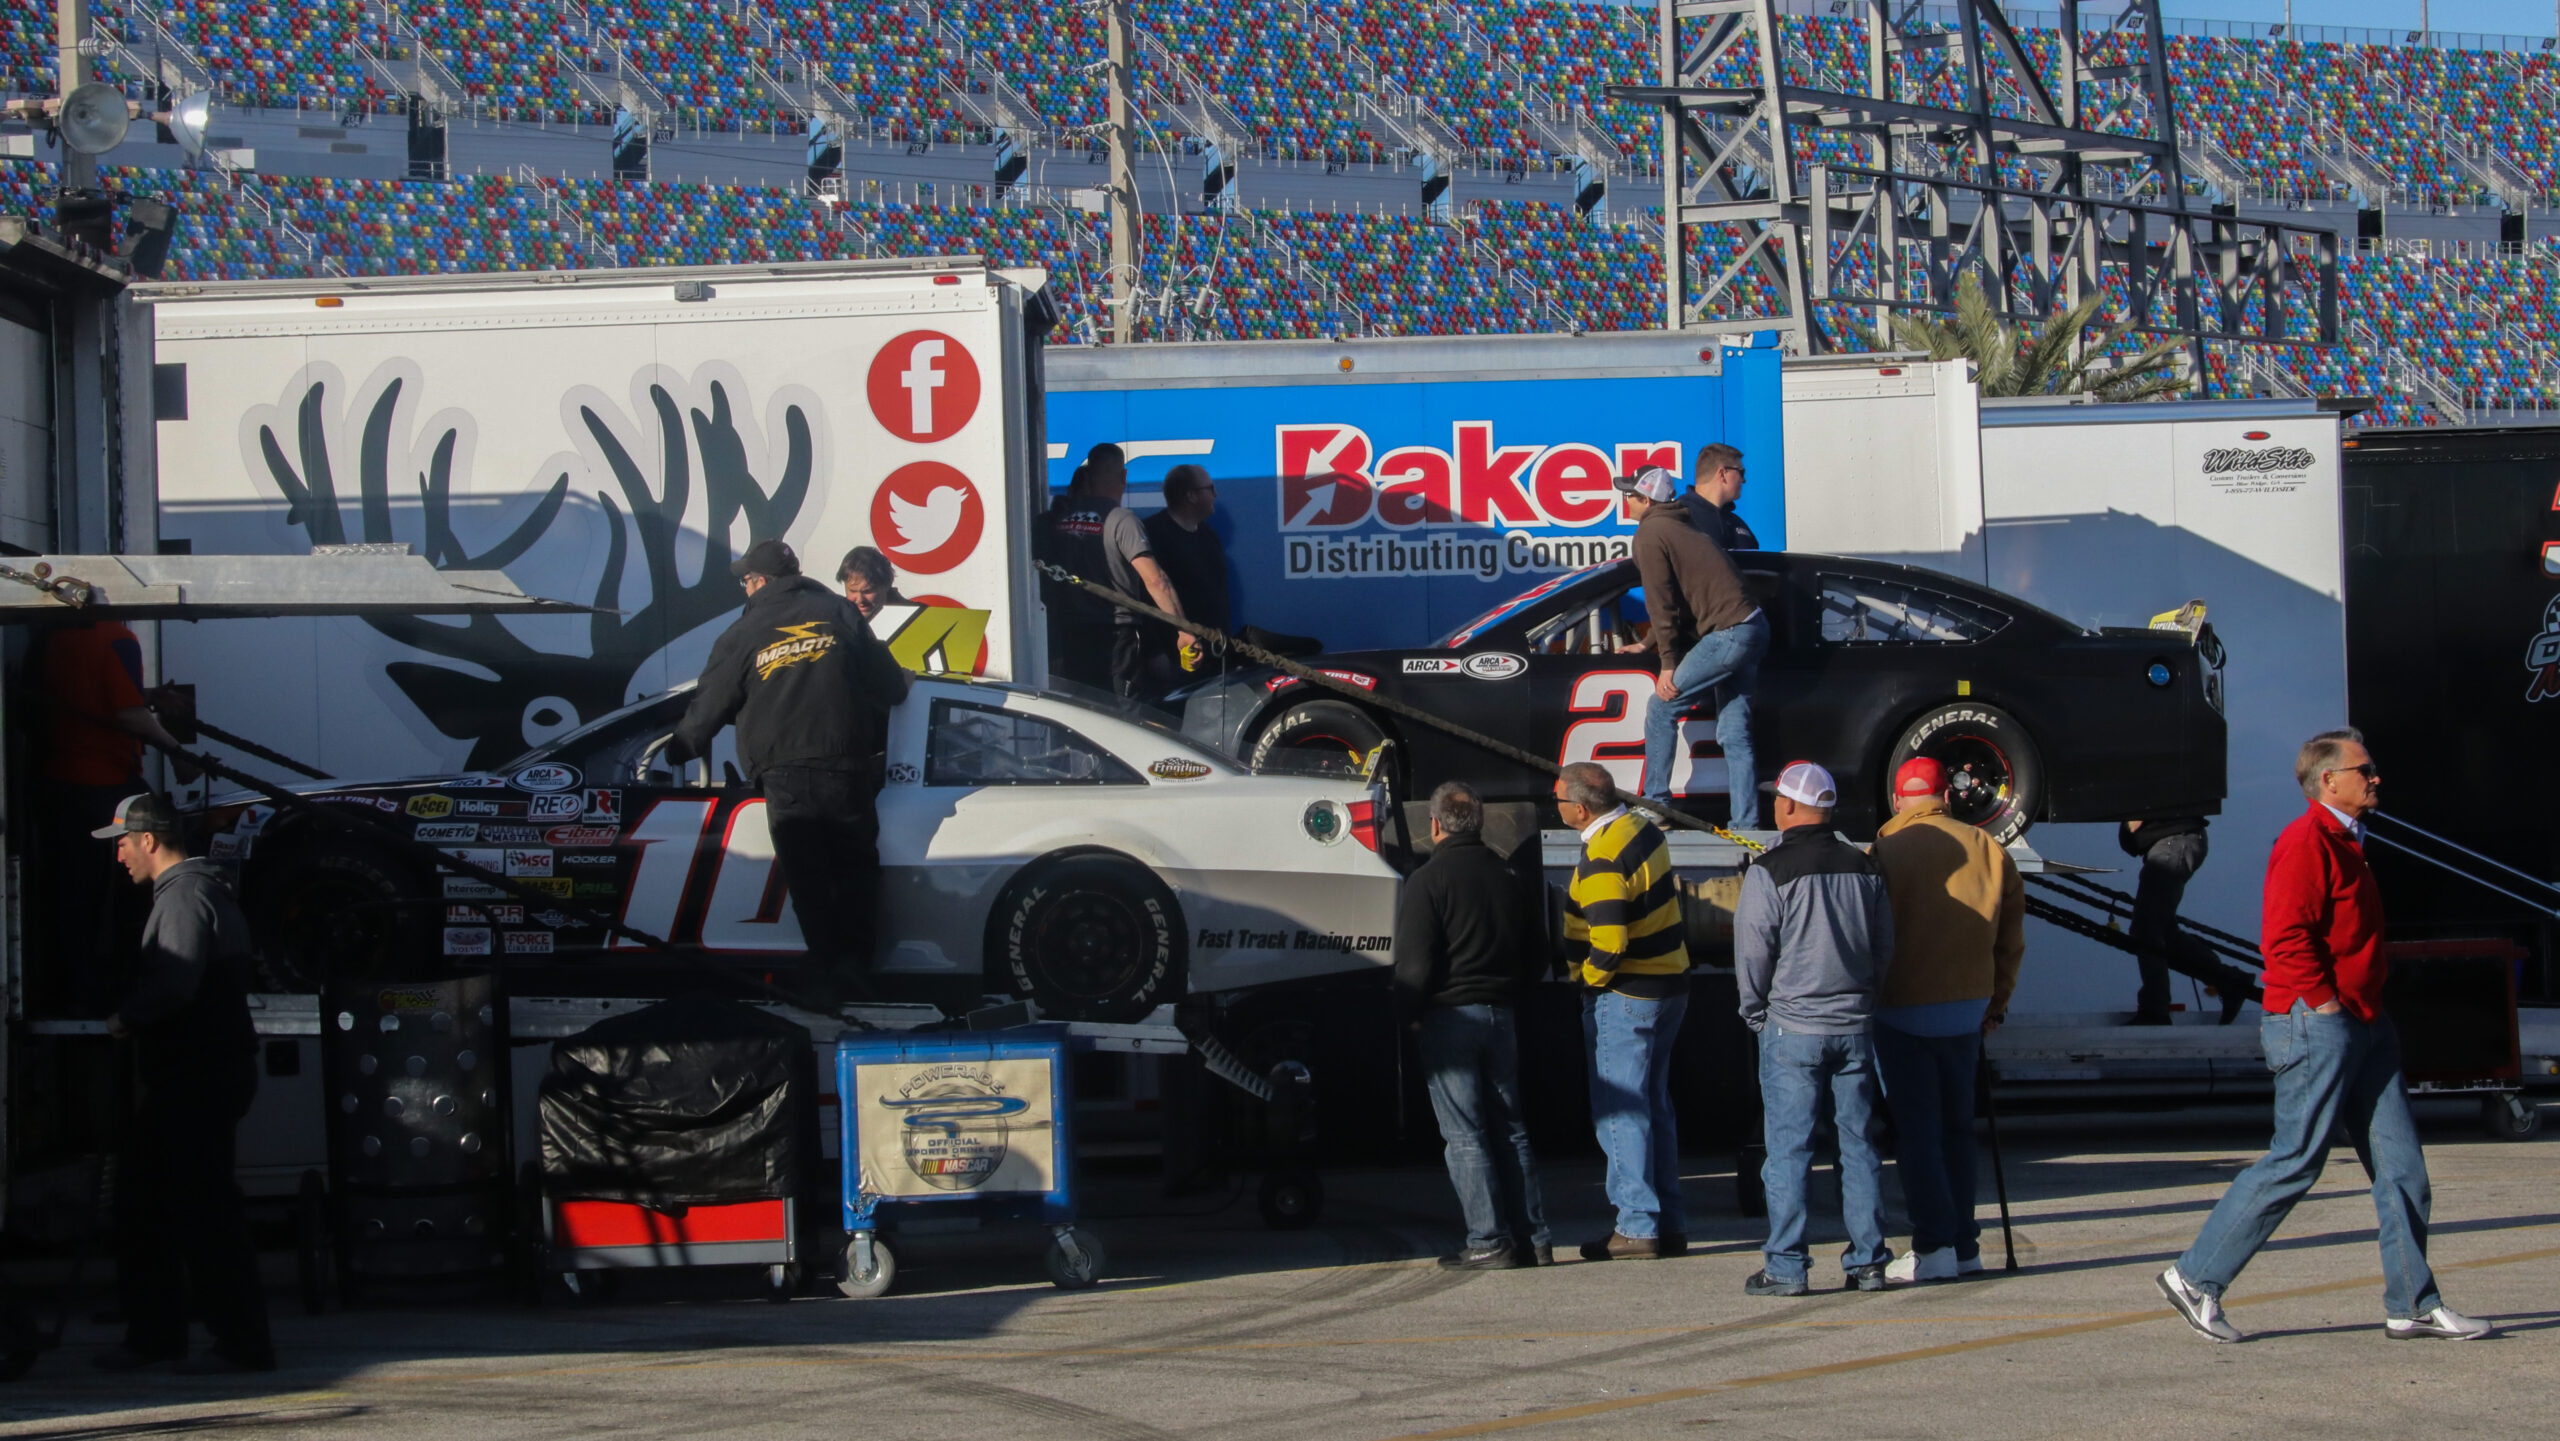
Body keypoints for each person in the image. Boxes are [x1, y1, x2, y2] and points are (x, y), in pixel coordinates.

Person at [2158, 729, 2491, 1344]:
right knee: (2296, 1159)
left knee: (2402, 1170)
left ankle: (2413, 1304)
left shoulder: (2347, 840)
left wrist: (2357, 1009)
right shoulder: (2306, 841)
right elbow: (2285, 938)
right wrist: (2326, 1004)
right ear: (2328, 780)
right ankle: (2195, 1277)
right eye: (2365, 769)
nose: (2376, 777)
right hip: (2319, 1023)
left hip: (2365, 1023)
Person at [670, 539, 910, 998]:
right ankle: (856, 971)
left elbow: (709, 705)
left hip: (785, 772)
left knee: (809, 877)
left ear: (760, 582)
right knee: (855, 871)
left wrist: (680, 748)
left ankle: (827, 973)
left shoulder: (744, 631)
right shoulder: (839, 612)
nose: (745, 588)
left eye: (746, 581)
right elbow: (890, 687)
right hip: (845, 766)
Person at [90, 792, 273, 1374]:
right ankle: (164, 1334)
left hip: (196, 1076)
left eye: (123, 842)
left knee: (191, 1208)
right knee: (163, 1203)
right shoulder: (201, 890)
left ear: (148, 840)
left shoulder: (183, 897)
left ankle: (230, 1341)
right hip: (205, 1073)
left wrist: (126, 1018)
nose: (119, 854)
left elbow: (175, 982)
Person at [1734, 761, 1895, 1297]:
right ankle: (1868, 1262)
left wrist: (1755, 1012)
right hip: (1855, 1024)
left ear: (1788, 806)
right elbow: (1883, 946)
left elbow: (1753, 952)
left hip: (1793, 1026)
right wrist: (1866, 1001)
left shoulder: (1769, 870)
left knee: (1789, 1149)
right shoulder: (1864, 866)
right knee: (1859, 1146)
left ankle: (1786, 1266)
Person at [1869, 757, 2024, 1284]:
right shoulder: (1989, 848)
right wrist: (1995, 1005)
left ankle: (1933, 1246)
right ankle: (1965, 1246)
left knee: (1918, 1133)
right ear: (1947, 797)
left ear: (1898, 800)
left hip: (1900, 1008)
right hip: (1967, 1008)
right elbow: (2010, 941)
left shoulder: (1883, 851)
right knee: (1959, 1129)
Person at [1393, 780, 1551, 1271]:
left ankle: (1487, 1240)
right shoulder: (1510, 875)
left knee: (1465, 1135)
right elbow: (1540, 952)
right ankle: (1534, 1240)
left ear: (1435, 824)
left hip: (1449, 1018)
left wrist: (1407, 1016)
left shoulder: (1427, 880)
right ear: (1478, 823)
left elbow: (1414, 965)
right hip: (1501, 1014)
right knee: (1512, 1131)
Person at [1554, 761, 1691, 1260]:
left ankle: (1636, 1225)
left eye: (1559, 800)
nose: (1555, 807)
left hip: (1626, 996)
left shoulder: (1602, 857)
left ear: (1580, 808)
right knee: (1654, 1106)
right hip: (1669, 984)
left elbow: (1609, 942)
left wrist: (1585, 981)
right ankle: (1667, 1223)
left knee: (1621, 1112)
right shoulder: (1642, 827)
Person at [40, 619, 200, 1013]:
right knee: (137, 885)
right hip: (105, 783)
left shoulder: (55, 637)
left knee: (75, 895)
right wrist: (177, 752)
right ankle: (125, 986)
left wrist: (147, 695)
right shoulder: (118, 638)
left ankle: (75, 993)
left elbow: (88, 694)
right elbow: (127, 715)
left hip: (58, 782)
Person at [1619, 465, 1770, 822]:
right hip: (1753, 626)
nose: (1625, 502)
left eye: (1630, 495)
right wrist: (1646, 643)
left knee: (1662, 708)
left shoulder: (1650, 532)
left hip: (1729, 632)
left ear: (1646, 500)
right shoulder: (1682, 524)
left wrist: (1667, 663)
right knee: (1734, 733)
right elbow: (1678, 601)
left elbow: (1661, 602)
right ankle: (1746, 825)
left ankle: (1655, 804)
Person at [1041, 447, 1194, 698]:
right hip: (1115, 638)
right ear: (1123, 476)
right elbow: (1157, 581)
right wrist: (1184, 630)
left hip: (1068, 636)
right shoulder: (1122, 520)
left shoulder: (1059, 521)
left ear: (1088, 476)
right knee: (1119, 711)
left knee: (1077, 708)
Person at [2121, 816, 2257, 1025]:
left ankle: (2155, 1010)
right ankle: (2230, 981)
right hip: (2171, 843)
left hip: (2172, 843)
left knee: (2147, 929)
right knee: (2162, 932)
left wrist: (2139, 813)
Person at [1141, 464, 1230, 688]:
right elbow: (1143, 595)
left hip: (1212, 655)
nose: (1215, 495)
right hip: (1174, 656)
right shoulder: (1153, 534)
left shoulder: (1209, 535)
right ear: (1191, 495)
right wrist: (1154, 652)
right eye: (1210, 489)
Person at [1677, 443, 1760, 553]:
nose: (1743, 480)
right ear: (1722, 474)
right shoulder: (1679, 517)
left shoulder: (1738, 524)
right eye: (1741, 472)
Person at [835, 545, 906, 622]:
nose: (860, 600)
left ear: (886, 585)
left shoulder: (911, 618)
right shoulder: (835, 620)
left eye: (867, 591)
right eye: (853, 591)